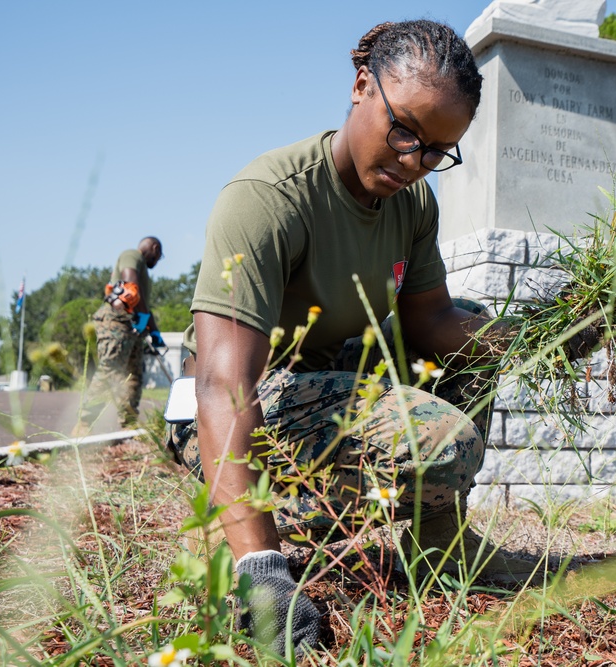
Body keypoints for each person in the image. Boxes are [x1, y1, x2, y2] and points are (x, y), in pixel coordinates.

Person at [169, 20, 542, 657]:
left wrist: (544, 338)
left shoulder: (413, 204)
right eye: (405, 131)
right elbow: (223, 384)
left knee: (474, 317)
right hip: (245, 397)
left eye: (436, 151)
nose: (413, 161)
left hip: (332, 373)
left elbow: (435, 326)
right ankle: (262, 523)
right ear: (362, 85)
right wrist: (262, 576)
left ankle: (436, 546)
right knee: (442, 438)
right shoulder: (268, 199)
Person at [77, 237, 165, 431]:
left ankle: (129, 426)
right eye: (159, 256)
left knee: (133, 377)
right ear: (155, 248)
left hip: (132, 327)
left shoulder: (143, 270)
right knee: (110, 371)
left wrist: (154, 332)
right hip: (115, 322)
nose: (157, 261)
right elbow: (130, 281)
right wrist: (142, 316)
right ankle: (84, 424)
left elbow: (142, 303)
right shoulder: (132, 255)